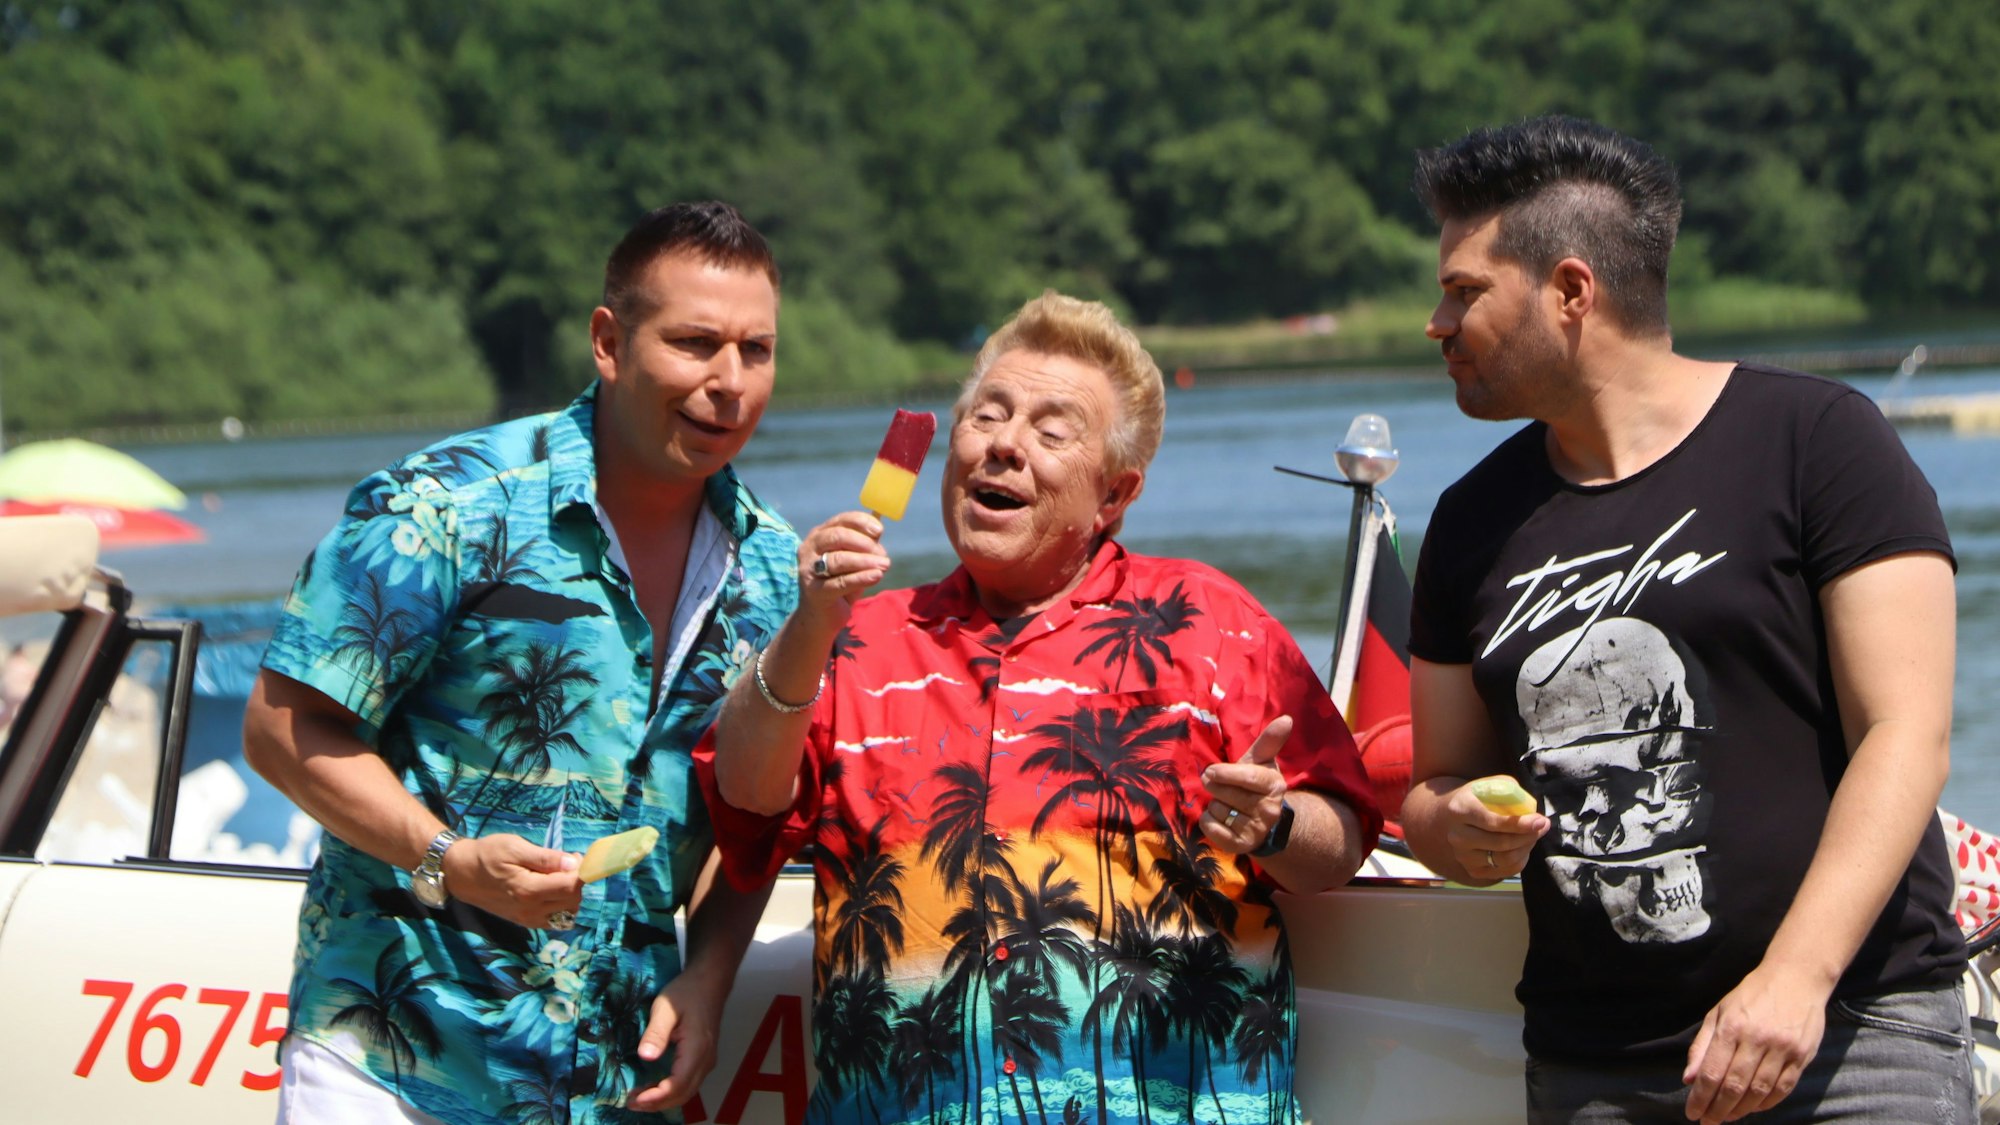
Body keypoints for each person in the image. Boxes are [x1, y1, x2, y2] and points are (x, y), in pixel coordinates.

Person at [1399, 115, 1972, 1123]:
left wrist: (1792, 982)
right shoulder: (1467, 523)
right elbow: (1435, 783)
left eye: (1464, 291)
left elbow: (1906, 735)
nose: (1436, 324)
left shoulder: (1817, 441)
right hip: (1597, 1069)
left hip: (1849, 1040)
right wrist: (1451, 828)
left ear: (1570, 291)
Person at [693, 290, 1381, 1125]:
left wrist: (1275, 826)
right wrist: (808, 624)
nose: (1005, 444)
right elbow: (742, 804)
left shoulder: (1211, 623)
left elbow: (1342, 841)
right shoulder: (852, 640)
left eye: (1052, 433)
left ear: (1113, 494)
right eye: (987, 416)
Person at [243, 201, 800, 1124]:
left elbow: (750, 821)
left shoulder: (776, 571)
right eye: (696, 343)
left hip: (613, 1088)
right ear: (609, 342)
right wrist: (449, 858)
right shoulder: (447, 505)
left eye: (757, 350)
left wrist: (709, 976)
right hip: (397, 1061)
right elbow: (280, 726)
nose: (729, 382)